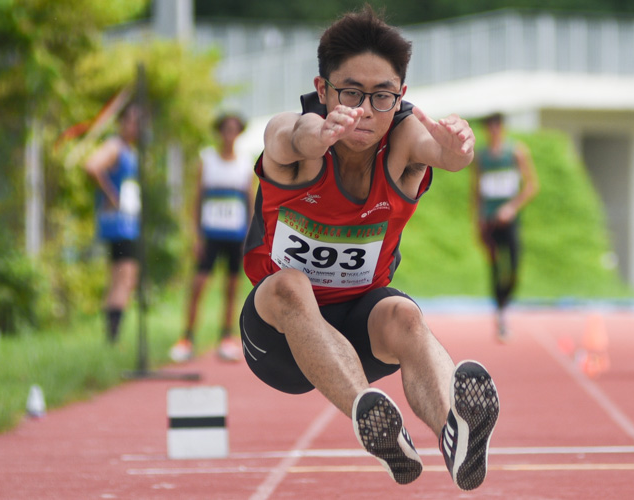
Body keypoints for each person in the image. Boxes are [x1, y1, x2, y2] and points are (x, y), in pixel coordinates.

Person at [239, 6, 499, 491]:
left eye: (382, 96)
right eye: (350, 92)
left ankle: (455, 432)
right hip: (279, 340)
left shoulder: (401, 140)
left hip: (360, 328)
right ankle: (374, 419)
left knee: (403, 314)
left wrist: (457, 151)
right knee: (290, 286)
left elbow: (437, 151)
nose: (365, 109)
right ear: (323, 90)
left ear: (400, 96)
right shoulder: (292, 134)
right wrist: (320, 132)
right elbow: (288, 136)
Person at [170, 114, 255, 363]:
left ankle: (226, 338)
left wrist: (249, 234)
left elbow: (249, 200)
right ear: (219, 132)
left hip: (235, 235)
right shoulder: (207, 159)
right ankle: (186, 338)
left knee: (231, 287)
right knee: (198, 285)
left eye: (234, 129)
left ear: (238, 133)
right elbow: (197, 198)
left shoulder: (244, 162)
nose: (229, 134)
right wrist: (195, 234)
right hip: (210, 235)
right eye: (225, 129)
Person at [472, 112, 539, 342]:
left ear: (502, 127)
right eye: (488, 126)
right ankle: (500, 316)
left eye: (495, 125)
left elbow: (531, 186)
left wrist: (511, 207)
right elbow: (476, 191)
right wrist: (478, 222)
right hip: (489, 222)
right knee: (495, 269)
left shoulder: (516, 152)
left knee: (514, 267)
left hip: (509, 221)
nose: (492, 130)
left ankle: (505, 303)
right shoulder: (481, 157)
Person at [84, 103, 142, 343]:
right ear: (122, 122)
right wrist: (111, 196)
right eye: (132, 121)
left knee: (124, 275)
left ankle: (113, 333)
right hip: (119, 224)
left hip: (128, 222)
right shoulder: (115, 146)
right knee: (124, 275)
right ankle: (112, 335)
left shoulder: (130, 150)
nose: (136, 127)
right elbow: (91, 166)